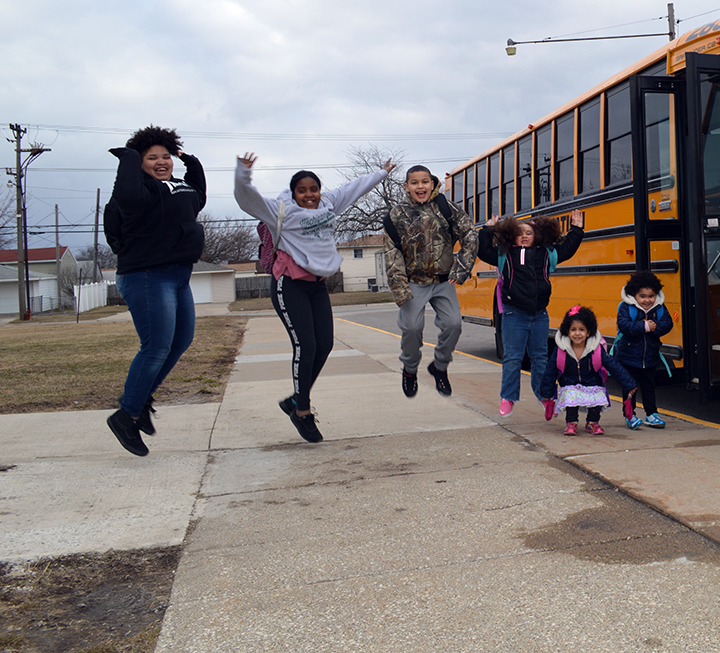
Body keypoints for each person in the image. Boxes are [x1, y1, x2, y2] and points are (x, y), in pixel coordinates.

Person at [235, 153, 394, 442]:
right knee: (305, 345)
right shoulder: (280, 210)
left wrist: (381, 174)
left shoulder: (330, 204)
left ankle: (296, 400)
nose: (309, 195)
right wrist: (243, 173)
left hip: (318, 285)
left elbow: (353, 187)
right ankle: (302, 411)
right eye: (302, 190)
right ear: (294, 193)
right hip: (289, 284)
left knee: (325, 345)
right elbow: (248, 199)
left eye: (314, 189)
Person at [103, 126, 206, 457]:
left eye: (166, 156)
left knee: (180, 340)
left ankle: (140, 399)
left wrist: (194, 165)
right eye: (152, 157)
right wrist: (130, 159)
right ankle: (126, 414)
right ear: (141, 163)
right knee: (156, 345)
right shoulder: (137, 192)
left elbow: (197, 199)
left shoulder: (178, 186)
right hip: (146, 276)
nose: (161, 162)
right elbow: (127, 200)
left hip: (178, 274)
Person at [383, 165, 478, 398]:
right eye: (414, 183)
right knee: (412, 329)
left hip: (443, 281)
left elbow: (470, 234)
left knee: (453, 324)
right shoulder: (396, 215)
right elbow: (391, 252)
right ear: (406, 187)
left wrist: (462, 267)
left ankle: (440, 367)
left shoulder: (447, 208)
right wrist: (400, 288)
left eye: (425, 181)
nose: (420, 186)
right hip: (413, 282)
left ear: (432, 183)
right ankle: (410, 369)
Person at [478, 209, 584, 418]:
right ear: (511, 235)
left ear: (537, 236)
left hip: (539, 314)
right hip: (513, 314)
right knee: (513, 358)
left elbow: (568, 249)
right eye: (520, 232)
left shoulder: (547, 253)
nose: (525, 235)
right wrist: (488, 229)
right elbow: (482, 250)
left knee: (540, 358)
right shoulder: (503, 254)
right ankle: (508, 397)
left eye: (529, 232)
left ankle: (545, 397)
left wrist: (576, 230)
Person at [539, 305, 634, 436]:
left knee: (597, 397)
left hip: (592, 381)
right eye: (573, 329)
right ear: (567, 331)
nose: (577, 333)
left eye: (581, 329)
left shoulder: (596, 349)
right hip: (570, 382)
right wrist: (547, 392)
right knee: (570, 395)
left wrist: (629, 384)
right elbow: (550, 371)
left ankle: (592, 422)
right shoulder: (561, 349)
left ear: (589, 332)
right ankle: (571, 422)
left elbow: (614, 366)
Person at [613, 271, 675, 429]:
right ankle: (629, 415)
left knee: (649, 386)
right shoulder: (627, 307)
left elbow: (668, 323)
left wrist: (654, 327)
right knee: (630, 387)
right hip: (628, 355)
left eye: (651, 296)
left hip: (650, 356)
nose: (647, 300)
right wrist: (644, 326)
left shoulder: (659, 308)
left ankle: (651, 414)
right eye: (642, 296)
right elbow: (624, 326)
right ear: (634, 295)